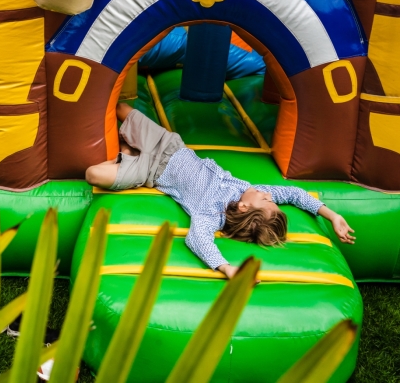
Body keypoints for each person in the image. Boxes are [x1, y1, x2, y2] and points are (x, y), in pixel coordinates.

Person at [85, 103, 355, 279]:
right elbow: (294, 194)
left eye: (266, 199)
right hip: (168, 145)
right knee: (119, 108)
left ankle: (126, 154)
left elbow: (198, 240)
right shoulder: (250, 191)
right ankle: (129, 149)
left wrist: (226, 268)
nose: (269, 194)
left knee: (93, 174)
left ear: (244, 208)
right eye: (269, 197)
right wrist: (331, 215)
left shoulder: (211, 213)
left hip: (150, 172)